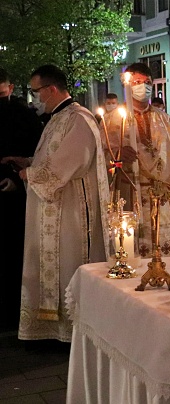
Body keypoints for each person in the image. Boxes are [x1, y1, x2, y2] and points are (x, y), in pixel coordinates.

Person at [1, 64, 111, 342]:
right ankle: (51, 328)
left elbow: (71, 161)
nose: (34, 97)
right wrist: (28, 162)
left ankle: (69, 330)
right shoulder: (57, 118)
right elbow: (50, 157)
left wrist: (31, 173)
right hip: (55, 208)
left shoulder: (78, 118)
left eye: (36, 91)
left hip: (72, 213)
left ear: (51, 89)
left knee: (68, 263)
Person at [101, 63, 170, 256]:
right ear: (127, 85)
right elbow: (100, 156)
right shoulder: (112, 120)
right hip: (129, 191)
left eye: (147, 82)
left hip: (161, 193)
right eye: (136, 82)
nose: (143, 87)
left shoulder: (164, 119)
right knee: (131, 248)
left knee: (164, 247)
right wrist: (116, 155)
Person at [0, 67, 43, 331]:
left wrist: (16, 179)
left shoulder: (24, 115)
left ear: (10, 88)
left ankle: (13, 311)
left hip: (14, 195)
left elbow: (35, 153)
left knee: (13, 253)